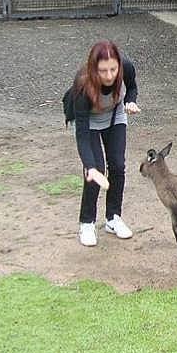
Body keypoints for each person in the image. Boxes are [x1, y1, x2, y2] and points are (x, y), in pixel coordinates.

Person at [69, 40, 140, 247]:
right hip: (89, 122)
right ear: (93, 69)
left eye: (113, 70)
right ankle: (87, 223)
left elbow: (132, 87)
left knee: (117, 165)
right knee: (97, 170)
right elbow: (81, 134)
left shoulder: (126, 66)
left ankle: (113, 218)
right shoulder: (82, 85)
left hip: (114, 115)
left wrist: (130, 101)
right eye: (102, 71)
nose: (109, 76)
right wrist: (89, 167)